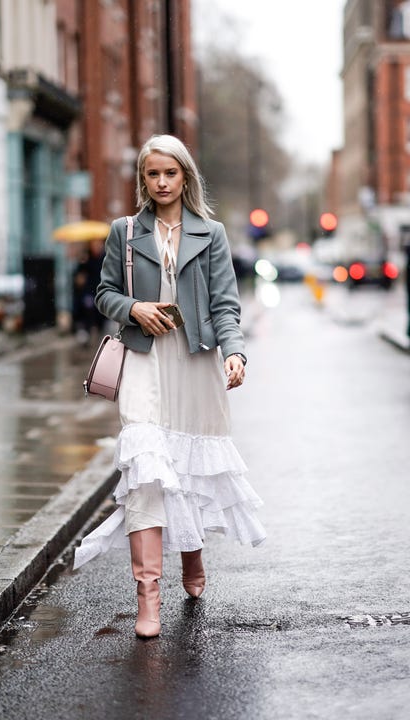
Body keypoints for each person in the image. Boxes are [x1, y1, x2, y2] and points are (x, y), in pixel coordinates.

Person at [73, 134, 266, 638]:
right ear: (143, 178)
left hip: (196, 363)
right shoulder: (124, 232)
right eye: (152, 174)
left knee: (188, 470)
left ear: (185, 176)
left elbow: (226, 304)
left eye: (170, 173)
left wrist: (235, 353)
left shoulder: (212, 234)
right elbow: (104, 294)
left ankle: (194, 558)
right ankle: (148, 595)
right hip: (143, 360)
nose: (161, 182)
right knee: (147, 472)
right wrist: (133, 308)